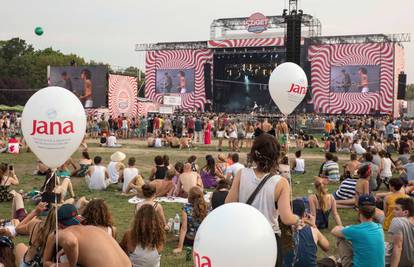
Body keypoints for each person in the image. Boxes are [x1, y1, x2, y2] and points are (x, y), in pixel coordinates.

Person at [226, 133, 301, 267]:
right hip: (269, 237)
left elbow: (228, 205)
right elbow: (286, 218)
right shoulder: (281, 182)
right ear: (276, 156)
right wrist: (300, 220)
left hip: (244, 235)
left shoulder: (241, 174)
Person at [43, 204, 131, 267]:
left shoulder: (65, 231)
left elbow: (70, 242)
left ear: (59, 224)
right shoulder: (93, 229)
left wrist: (70, 264)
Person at [331, 195, 385, 267]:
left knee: (340, 237)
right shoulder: (379, 227)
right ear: (374, 211)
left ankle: (342, 262)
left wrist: (345, 228)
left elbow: (334, 231)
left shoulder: (354, 230)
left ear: (359, 210)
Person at [283, 199, 330, 267]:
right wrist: (314, 225)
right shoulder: (313, 231)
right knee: (331, 259)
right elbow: (327, 247)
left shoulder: (283, 232)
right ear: (304, 214)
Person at [173, 187, 207, 253]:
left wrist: (180, 247)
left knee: (181, 225)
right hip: (202, 241)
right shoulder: (206, 207)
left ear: (189, 197)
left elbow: (184, 228)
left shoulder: (186, 208)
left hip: (190, 240)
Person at [388, 198, 414, 267]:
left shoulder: (397, 221)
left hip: (395, 262)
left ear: (405, 212)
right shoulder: (411, 222)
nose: (393, 211)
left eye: (396, 209)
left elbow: (398, 247)